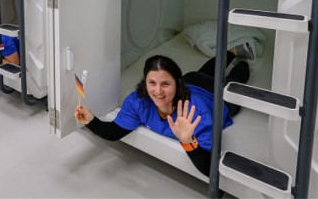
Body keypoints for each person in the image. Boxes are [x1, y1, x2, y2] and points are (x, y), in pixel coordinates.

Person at [74, 44, 253, 176]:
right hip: (192, 80)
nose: (158, 92)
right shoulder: (138, 101)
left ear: (177, 83)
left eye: (165, 84)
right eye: (152, 83)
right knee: (204, 72)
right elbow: (114, 132)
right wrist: (91, 121)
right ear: (145, 82)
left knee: (233, 82)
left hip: (215, 98)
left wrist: (188, 140)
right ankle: (232, 52)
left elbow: (210, 170)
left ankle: (244, 63)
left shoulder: (196, 113)